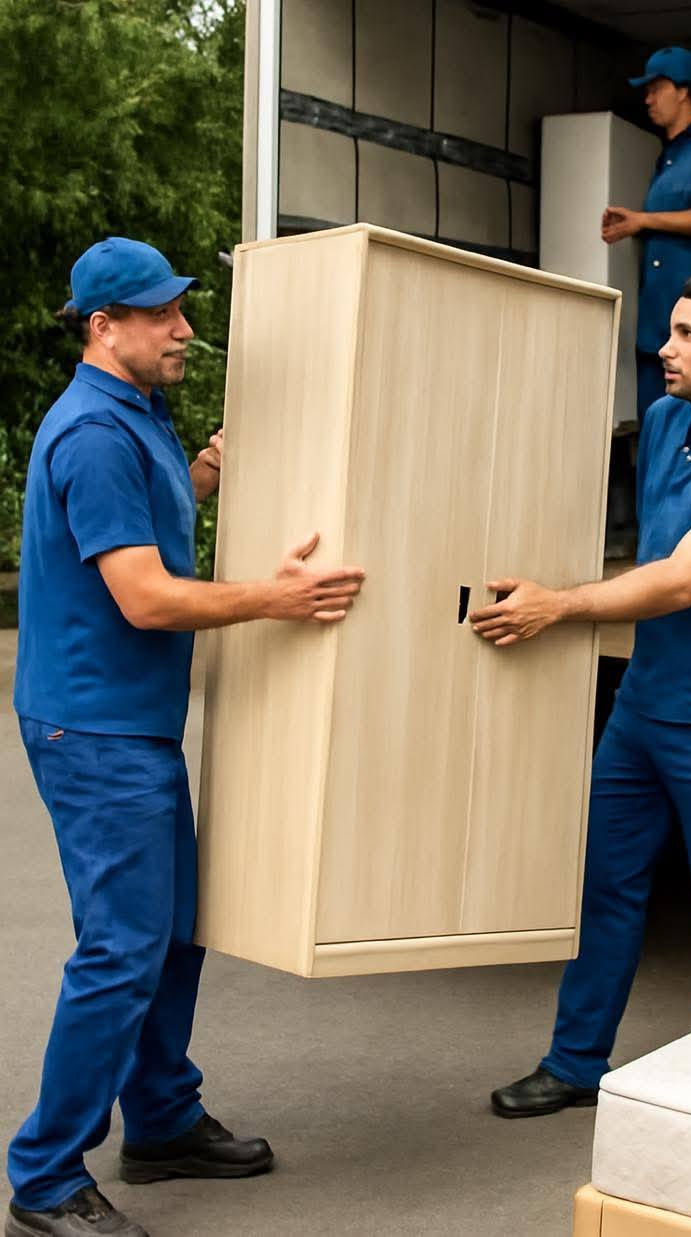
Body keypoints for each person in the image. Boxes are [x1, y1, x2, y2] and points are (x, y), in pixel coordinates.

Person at [7, 237, 365, 1237]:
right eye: (162, 314)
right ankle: (44, 1176)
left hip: (133, 718)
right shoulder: (92, 434)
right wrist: (276, 599)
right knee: (123, 947)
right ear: (103, 326)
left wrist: (205, 470)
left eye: (181, 309)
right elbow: (146, 596)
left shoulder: (140, 413)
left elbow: (148, 521)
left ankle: (161, 1120)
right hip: (94, 725)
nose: (184, 329)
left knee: (171, 933)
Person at [479, 267, 691, 1118]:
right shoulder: (664, 421)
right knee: (606, 888)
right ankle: (574, 1063)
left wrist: (560, 605)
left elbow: (682, 580)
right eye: (670, 330)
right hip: (643, 708)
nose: (665, 348)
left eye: (687, 334)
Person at [603, 45, 691, 559]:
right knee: (658, 438)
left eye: (656, 88)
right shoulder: (663, 154)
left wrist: (645, 221)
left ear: (684, 90)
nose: (648, 99)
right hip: (658, 331)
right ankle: (656, 551)